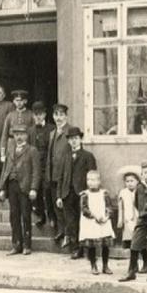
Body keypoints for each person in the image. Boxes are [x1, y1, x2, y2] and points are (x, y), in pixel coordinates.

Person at [0, 124, 41, 256]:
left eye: (22, 134)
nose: (19, 137)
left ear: (27, 136)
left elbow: (36, 172)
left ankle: (27, 245)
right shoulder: (10, 150)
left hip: (25, 188)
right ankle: (16, 244)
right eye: (16, 135)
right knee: (14, 216)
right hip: (12, 186)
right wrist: (2, 188)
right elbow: (5, 170)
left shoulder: (32, 151)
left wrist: (33, 188)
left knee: (25, 215)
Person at [54, 125, 96, 259]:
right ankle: (75, 248)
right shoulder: (65, 157)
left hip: (82, 193)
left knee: (83, 220)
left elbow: (92, 176)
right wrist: (59, 196)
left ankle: (86, 248)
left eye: (76, 138)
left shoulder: (88, 156)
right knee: (71, 222)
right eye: (71, 139)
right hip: (67, 193)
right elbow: (60, 177)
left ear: (81, 139)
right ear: (68, 141)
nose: (74, 141)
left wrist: (89, 193)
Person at [80, 169, 115, 275]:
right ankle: (93, 265)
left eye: (94, 180)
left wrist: (106, 216)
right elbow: (84, 209)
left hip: (103, 221)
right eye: (88, 180)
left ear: (99, 181)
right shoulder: (84, 195)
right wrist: (94, 216)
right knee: (91, 245)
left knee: (105, 244)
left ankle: (105, 265)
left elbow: (109, 207)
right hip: (91, 221)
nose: (90, 182)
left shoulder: (104, 194)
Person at [45, 103, 71, 246]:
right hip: (54, 176)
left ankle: (68, 235)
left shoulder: (70, 132)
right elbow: (50, 156)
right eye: (56, 115)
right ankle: (61, 231)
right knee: (57, 206)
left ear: (66, 116)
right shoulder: (52, 134)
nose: (58, 118)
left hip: (65, 177)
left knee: (66, 207)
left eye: (61, 115)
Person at [116, 166, 147, 274]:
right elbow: (121, 207)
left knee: (142, 243)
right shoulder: (123, 192)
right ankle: (134, 265)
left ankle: (145, 264)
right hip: (128, 221)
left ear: (138, 181)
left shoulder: (141, 191)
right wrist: (120, 219)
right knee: (132, 244)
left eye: (132, 181)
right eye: (127, 181)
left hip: (139, 220)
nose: (129, 183)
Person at [29, 100, 55, 227]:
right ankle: (41, 216)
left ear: (45, 114)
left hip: (48, 165)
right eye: (35, 114)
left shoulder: (52, 129)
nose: (38, 117)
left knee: (48, 190)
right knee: (37, 190)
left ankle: (52, 216)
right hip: (35, 166)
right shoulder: (30, 131)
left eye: (40, 114)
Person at [0, 89, 33, 163]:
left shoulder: (31, 115)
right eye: (17, 100)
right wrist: (3, 153)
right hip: (12, 145)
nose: (19, 103)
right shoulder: (10, 115)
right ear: (14, 102)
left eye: (21, 100)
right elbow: (4, 135)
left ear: (25, 101)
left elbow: (33, 134)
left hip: (26, 145)